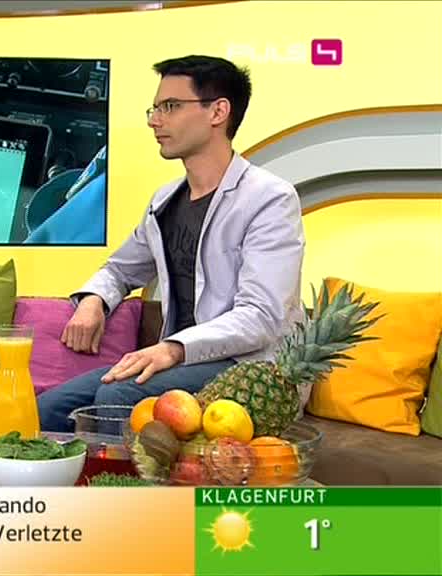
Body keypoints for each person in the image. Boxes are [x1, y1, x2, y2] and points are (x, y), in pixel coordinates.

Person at [37, 55, 306, 434]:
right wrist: (95, 300)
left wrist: (173, 348)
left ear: (218, 112)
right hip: (178, 360)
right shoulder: (164, 200)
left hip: (247, 365)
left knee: (118, 395)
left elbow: (261, 317)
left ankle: (117, 475)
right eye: (155, 109)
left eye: (171, 106)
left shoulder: (270, 198)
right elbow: (120, 270)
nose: (154, 120)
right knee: (49, 407)